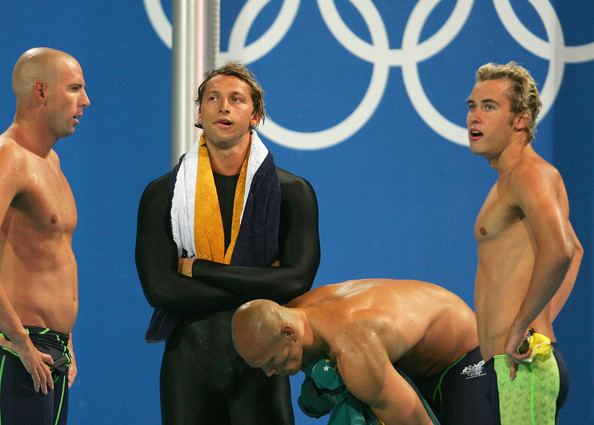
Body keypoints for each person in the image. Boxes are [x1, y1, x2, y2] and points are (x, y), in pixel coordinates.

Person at [135, 62, 320, 425]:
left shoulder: (292, 192)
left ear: (256, 115)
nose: (224, 107)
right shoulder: (161, 195)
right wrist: (263, 284)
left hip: (262, 366)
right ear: (199, 113)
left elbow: (298, 282)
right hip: (190, 363)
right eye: (213, 98)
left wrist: (200, 269)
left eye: (237, 99)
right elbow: (160, 290)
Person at [466, 61, 583, 424]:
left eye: (489, 106)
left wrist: (524, 326)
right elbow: (576, 250)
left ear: (520, 119)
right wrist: (539, 319)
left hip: (523, 367)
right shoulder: (508, 180)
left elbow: (561, 250)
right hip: (508, 364)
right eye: (472, 106)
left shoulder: (531, 174)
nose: (474, 117)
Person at [232, 278, 482, 425]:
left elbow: (416, 421)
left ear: (289, 333)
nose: (269, 372)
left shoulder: (353, 351)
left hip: (465, 360)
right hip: (411, 367)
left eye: (272, 361)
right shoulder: (299, 314)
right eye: (261, 366)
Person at [0, 47, 90, 424]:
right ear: (41, 92)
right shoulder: (9, 158)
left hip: (50, 351)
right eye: (74, 89)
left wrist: (65, 337)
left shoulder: (51, 162)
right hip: (16, 349)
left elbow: (53, 257)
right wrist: (19, 340)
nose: (85, 101)